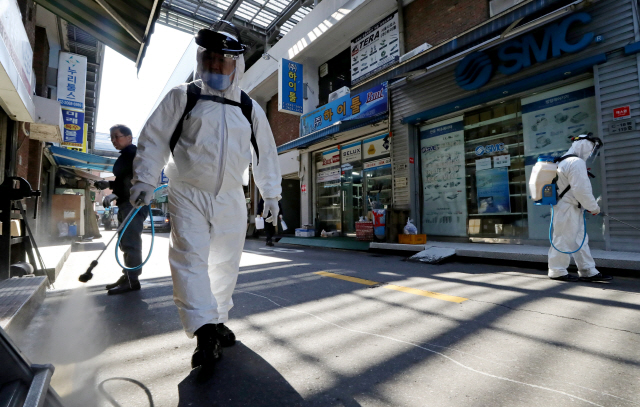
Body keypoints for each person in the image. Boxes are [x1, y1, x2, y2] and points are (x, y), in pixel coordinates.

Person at [130, 22, 282, 371]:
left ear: (236, 65)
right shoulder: (182, 97)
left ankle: (217, 318)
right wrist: (144, 179)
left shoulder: (249, 107)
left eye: (223, 60)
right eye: (210, 59)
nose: (216, 66)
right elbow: (153, 140)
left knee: (225, 263)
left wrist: (271, 195)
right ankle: (204, 332)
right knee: (190, 259)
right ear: (202, 60)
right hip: (187, 193)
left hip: (231, 196)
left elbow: (266, 153)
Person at [548, 134, 612, 282]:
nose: (591, 152)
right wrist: (594, 207)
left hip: (571, 206)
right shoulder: (575, 162)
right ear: (584, 145)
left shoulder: (564, 160)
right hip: (567, 207)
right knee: (563, 238)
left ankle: (588, 270)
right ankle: (557, 270)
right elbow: (581, 190)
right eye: (591, 148)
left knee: (580, 239)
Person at [94, 124, 150, 295]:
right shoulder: (126, 155)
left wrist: (116, 193)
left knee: (131, 242)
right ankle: (127, 275)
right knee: (125, 241)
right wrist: (110, 185)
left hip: (134, 204)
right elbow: (124, 181)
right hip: (127, 203)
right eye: (111, 137)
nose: (113, 141)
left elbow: (139, 179)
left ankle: (132, 280)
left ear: (129, 138)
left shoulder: (135, 154)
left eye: (116, 137)